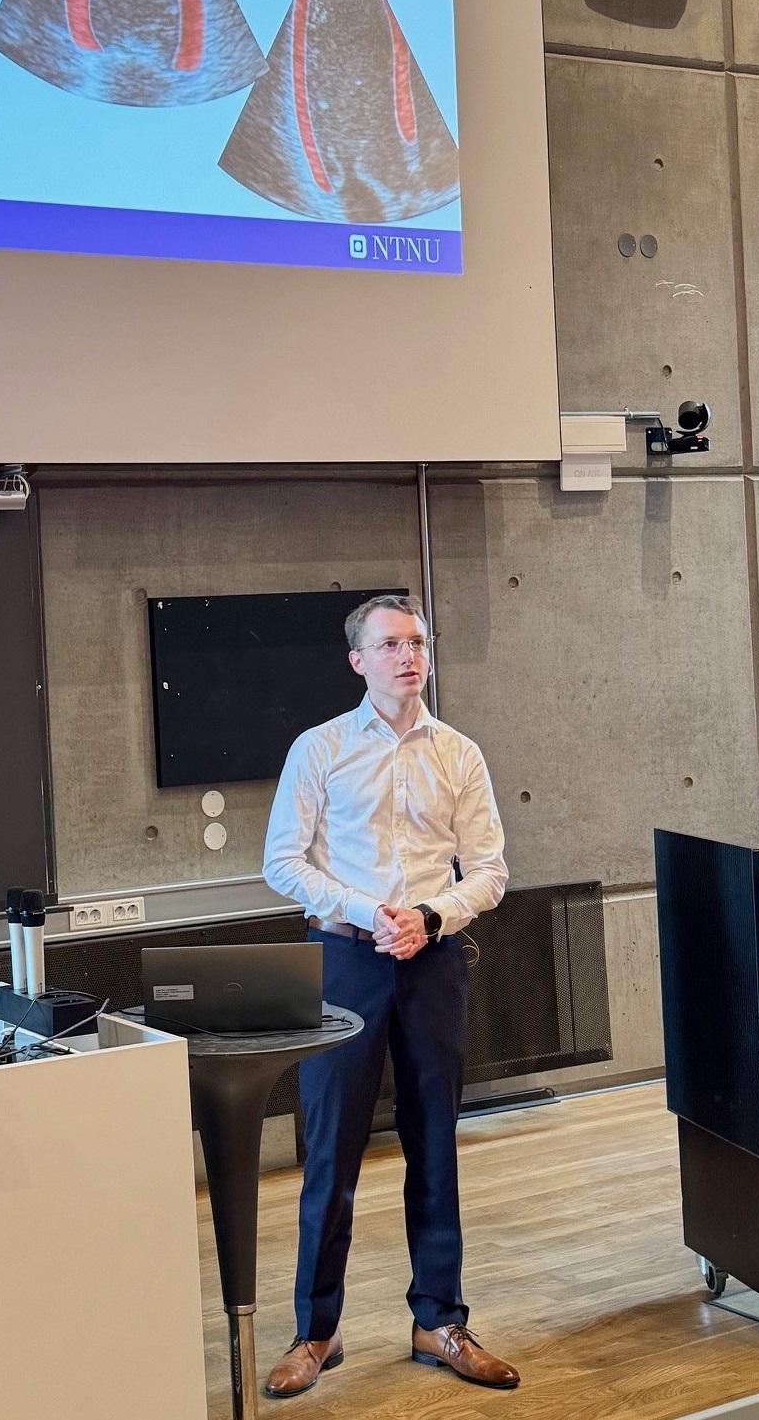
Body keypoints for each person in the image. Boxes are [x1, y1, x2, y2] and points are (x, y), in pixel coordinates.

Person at [259, 593, 519, 1399]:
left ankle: (437, 1317)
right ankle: (316, 1331)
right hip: (345, 959)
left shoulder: (459, 753)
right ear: (357, 661)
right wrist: (370, 911)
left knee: (434, 1142)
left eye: (417, 641)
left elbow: (488, 869)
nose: (408, 655)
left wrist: (430, 915)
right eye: (390, 644)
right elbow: (281, 861)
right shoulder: (320, 747)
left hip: (432, 959)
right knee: (330, 1149)